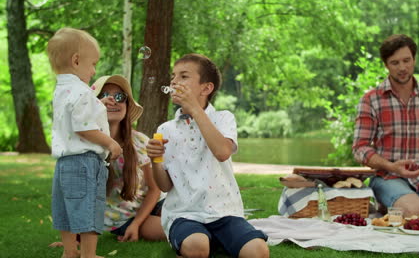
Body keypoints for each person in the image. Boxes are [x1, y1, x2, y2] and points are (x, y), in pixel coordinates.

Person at [146, 53, 269, 258]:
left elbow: (222, 152)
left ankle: (217, 240)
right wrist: (155, 160)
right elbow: (165, 186)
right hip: (184, 214)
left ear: (206, 88)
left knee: (258, 251)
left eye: (183, 76)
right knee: (197, 247)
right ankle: (206, 241)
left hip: (225, 212)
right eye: (173, 77)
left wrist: (194, 108)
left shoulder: (223, 118)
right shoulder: (166, 129)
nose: (174, 81)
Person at [352, 34, 419, 223]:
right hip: (387, 176)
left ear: (414, 59)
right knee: (416, 212)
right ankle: (393, 203)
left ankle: (404, 207)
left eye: (406, 60)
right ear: (386, 65)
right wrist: (390, 166)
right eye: (395, 62)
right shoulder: (371, 99)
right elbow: (360, 148)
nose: (402, 68)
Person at [48, 27, 122, 258]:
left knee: (66, 207)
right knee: (88, 207)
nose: (94, 70)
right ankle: (88, 255)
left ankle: (70, 251)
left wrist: (99, 102)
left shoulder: (62, 89)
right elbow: (84, 127)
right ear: (76, 60)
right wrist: (110, 143)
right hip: (84, 162)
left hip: (64, 164)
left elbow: (78, 113)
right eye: (93, 64)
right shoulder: (82, 92)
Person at [91, 75, 166, 242]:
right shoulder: (87, 146)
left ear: (126, 105)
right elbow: (80, 196)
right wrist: (73, 238)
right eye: (104, 96)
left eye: (120, 97)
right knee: (171, 229)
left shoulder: (139, 141)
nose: (112, 101)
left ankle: (228, 227)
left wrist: (138, 223)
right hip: (122, 217)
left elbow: (155, 189)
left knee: (189, 218)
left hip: (153, 204)